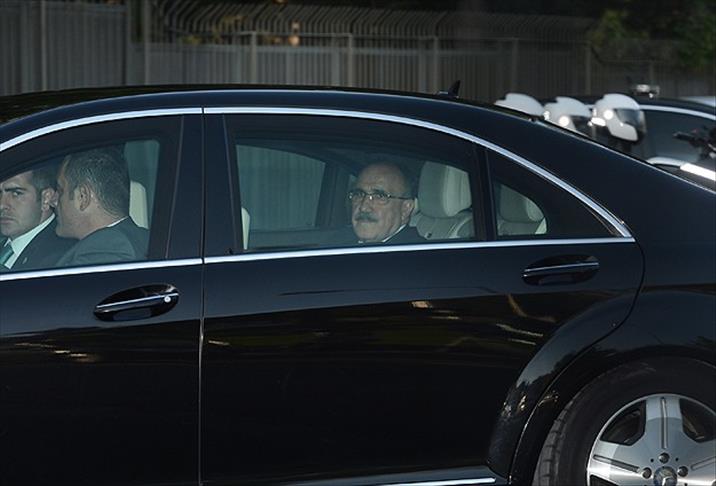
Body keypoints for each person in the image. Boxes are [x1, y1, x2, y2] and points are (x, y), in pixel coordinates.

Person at [53, 148, 148, 267]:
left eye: (60, 191)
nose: (53, 201)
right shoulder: (141, 237)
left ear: (83, 197)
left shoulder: (107, 248)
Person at [0, 166, 74, 272]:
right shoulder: (4, 242)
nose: (2, 205)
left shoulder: (63, 255)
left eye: (16, 193)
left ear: (46, 199)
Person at [348, 162, 424, 244]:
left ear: (405, 209)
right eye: (359, 194)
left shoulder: (418, 249)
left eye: (379, 196)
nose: (363, 207)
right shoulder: (339, 239)